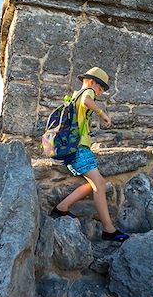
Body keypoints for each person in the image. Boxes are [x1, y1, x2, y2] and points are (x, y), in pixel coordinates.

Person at [49, 67, 129, 242]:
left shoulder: (74, 95)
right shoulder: (87, 92)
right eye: (101, 89)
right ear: (92, 82)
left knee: (95, 184)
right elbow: (87, 101)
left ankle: (62, 207)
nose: (99, 93)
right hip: (79, 148)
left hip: (72, 148)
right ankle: (109, 229)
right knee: (99, 185)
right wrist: (103, 114)